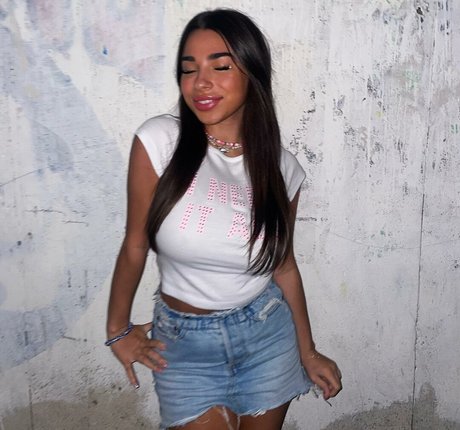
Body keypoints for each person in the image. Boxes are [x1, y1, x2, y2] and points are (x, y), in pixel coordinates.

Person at [106, 8, 342, 430]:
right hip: (183, 348)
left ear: (252, 73)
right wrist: (117, 330)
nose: (200, 82)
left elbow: (284, 266)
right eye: (189, 69)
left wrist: (308, 352)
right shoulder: (159, 141)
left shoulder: (282, 168)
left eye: (220, 66)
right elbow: (135, 244)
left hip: (267, 337)